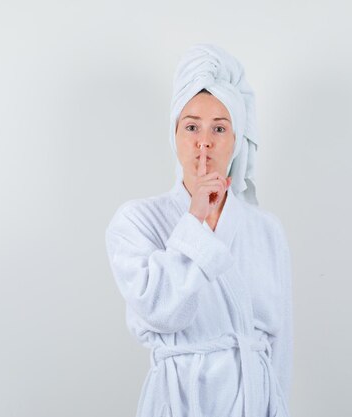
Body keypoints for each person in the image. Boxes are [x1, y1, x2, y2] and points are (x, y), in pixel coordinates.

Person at [105, 43, 293, 417]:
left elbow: (281, 345)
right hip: (180, 402)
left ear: (236, 141)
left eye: (219, 129)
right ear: (174, 135)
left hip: (254, 402)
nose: (204, 142)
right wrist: (194, 222)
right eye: (191, 126)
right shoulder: (136, 221)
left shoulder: (266, 230)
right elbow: (164, 313)